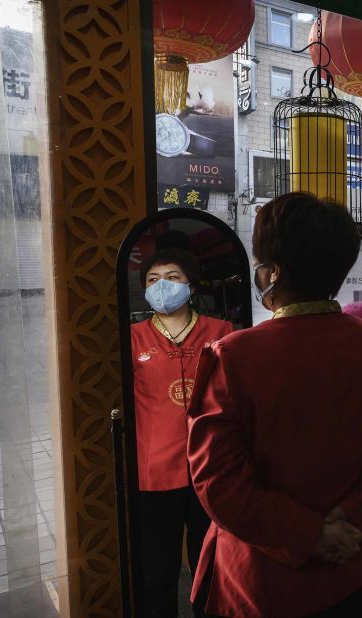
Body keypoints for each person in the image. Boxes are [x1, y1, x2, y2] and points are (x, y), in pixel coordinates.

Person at [186, 193, 362, 617]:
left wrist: (308, 534)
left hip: (263, 577)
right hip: (355, 560)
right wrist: (348, 520)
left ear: (273, 272)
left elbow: (218, 481)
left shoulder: (232, 356)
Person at [130, 247, 232, 618]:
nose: (162, 286)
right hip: (154, 472)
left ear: (191, 285)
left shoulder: (221, 332)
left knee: (212, 567)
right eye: (153, 280)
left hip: (211, 469)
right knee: (158, 572)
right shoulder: (131, 338)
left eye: (172, 278)